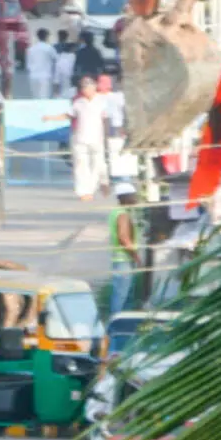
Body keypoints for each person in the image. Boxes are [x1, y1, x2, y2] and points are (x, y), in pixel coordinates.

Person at [45, 77, 108, 201]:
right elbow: (68, 115)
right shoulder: (79, 102)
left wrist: (107, 136)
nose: (85, 89)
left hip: (97, 138)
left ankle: (91, 189)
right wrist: (51, 118)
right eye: (83, 87)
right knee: (80, 165)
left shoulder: (102, 101)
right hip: (80, 138)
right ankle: (82, 191)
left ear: (94, 87)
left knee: (97, 165)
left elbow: (106, 119)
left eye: (88, 87)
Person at [110, 184, 142, 316]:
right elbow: (123, 238)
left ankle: (122, 320)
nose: (136, 198)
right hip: (124, 259)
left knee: (122, 293)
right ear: (126, 197)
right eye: (133, 196)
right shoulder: (123, 214)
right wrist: (136, 256)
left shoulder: (116, 212)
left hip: (120, 259)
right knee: (122, 295)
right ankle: (115, 322)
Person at [24, 28, 58, 100]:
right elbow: (56, 60)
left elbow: (28, 64)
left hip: (33, 76)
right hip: (45, 77)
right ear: (46, 37)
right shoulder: (49, 48)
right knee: (44, 98)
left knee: (35, 98)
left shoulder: (31, 49)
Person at [52, 30, 77, 99]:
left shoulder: (55, 48)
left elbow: (56, 76)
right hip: (72, 82)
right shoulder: (74, 56)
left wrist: (55, 91)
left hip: (62, 81)